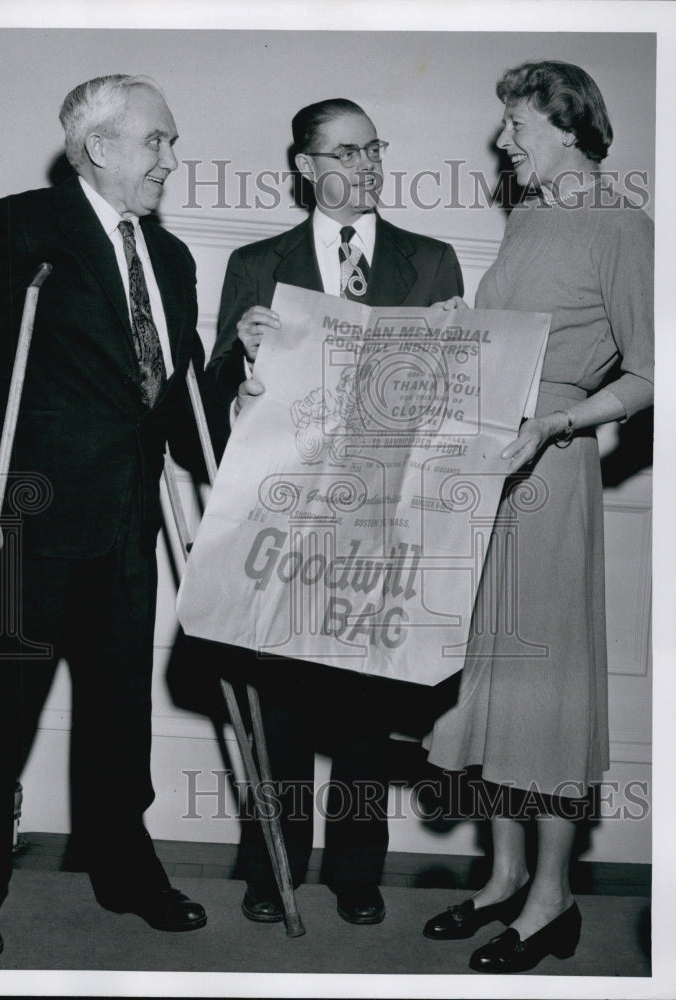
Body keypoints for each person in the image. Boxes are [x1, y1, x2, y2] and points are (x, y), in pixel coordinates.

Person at [0, 74, 211, 960]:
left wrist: (253, 370)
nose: (172, 157)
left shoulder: (169, 260)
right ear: (100, 147)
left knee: (119, 719)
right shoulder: (17, 228)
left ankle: (125, 869)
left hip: (127, 522)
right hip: (22, 523)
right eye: (157, 141)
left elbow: (182, 400)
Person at [207, 98, 463, 926]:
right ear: (306, 167)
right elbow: (213, 396)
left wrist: (460, 351)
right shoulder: (257, 262)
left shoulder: (431, 262)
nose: (368, 165)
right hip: (281, 515)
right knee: (275, 705)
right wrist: (241, 366)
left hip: (383, 517)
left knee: (364, 710)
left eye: (375, 149)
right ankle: (269, 866)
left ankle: (356, 873)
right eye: (347, 151)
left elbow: (457, 406)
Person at [421, 61, 653, 973]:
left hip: (550, 472)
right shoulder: (527, 220)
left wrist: (556, 421)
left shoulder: (621, 227)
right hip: (489, 465)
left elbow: (651, 371)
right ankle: (501, 877)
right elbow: (511, 344)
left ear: (566, 128)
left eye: (516, 124)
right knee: (496, 677)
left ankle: (553, 901)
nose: (503, 141)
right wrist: (459, 327)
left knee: (546, 688)